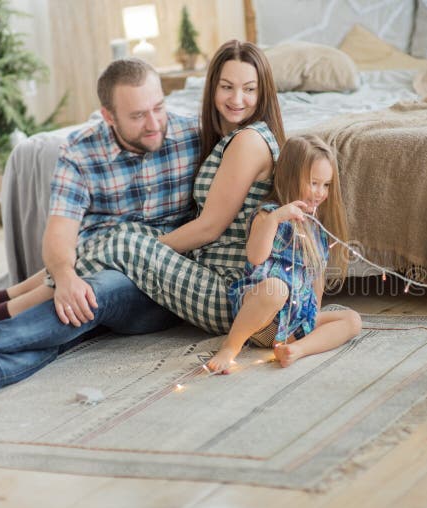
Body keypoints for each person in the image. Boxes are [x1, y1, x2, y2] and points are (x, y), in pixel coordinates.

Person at [0, 39, 285, 399]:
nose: (155, 123)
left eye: (159, 107)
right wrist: (64, 277)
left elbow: (211, 225)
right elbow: (60, 234)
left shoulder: (199, 135)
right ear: (108, 116)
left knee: (112, 265)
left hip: (178, 283)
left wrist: (140, 248)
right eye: (138, 115)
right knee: (81, 306)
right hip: (126, 272)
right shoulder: (81, 151)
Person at [66, 39, 286, 337]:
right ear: (212, 88)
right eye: (226, 87)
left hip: (230, 292)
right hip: (209, 272)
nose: (237, 98)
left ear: (263, 92)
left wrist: (146, 252)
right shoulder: (230, 137)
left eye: (249, 88)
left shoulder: (248, 141)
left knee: (125, 244)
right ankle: (23, 294)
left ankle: (30, 298)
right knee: (122, 233)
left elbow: (209, 229)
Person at [205, 135, 362, 373]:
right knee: (277, 289)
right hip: (264, 317)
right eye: (313, 182)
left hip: (295, 322)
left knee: (352, 320)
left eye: (326, 185)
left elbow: (316, 276)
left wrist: (314, 314)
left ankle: (297, 350)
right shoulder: (268, 216)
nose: (320, 192)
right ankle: (231, 346)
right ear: (290, 176)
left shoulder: (315, 227)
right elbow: (256, 257)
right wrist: (278, 217)